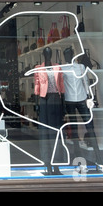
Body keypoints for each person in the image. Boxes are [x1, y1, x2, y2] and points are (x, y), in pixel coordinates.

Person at [62, 47, 103, 173]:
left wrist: (89, 97)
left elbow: (85, 82)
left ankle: (99, 161)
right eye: (66, 54)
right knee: (75, 132)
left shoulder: (81, 67)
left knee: (90, 128)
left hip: (82, 99)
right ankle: (79, 161)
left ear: (73, 55)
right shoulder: (62, 68)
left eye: (69, 54)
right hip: (69, 100)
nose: (68, 56)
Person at [34, 47, 65, 175]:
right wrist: (36, 104)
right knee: (44, 133)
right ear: (43, 54)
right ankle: (47, 163)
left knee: (56, 132)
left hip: (55, 98)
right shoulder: (38, 68)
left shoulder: (57, 67)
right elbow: (37, 85)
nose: (48, 55)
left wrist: (64, 104)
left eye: (50, 53)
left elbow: (61, 85)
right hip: (43, 99)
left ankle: (56, 164)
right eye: (46, 53)